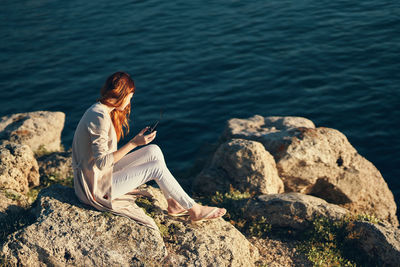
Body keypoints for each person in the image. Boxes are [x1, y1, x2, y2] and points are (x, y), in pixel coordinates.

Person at [72, 71, 226, 229]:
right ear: (122, 94)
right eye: (130, 96)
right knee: (155, 168)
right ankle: (195, 209)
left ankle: (172, 203)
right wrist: (133, 143)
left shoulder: (100, 110)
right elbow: (102, 163)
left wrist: (137, 143)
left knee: (153, 150)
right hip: (94, 189)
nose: (130, 101)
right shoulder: (99, 117)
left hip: (99, 176)